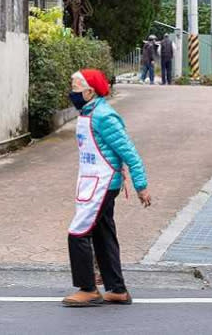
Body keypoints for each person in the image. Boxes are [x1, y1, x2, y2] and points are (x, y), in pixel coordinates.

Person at [63, 69, 152, 307]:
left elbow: (129, 152)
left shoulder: (103, 116)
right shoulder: (88, 112)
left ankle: (88, 289)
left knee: (78, 231)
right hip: (93, 182)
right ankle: (116, 289)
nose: (71, 92)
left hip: (102, 183)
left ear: (90, 92)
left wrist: (141, 185)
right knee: (103, 235)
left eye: (75, 88)